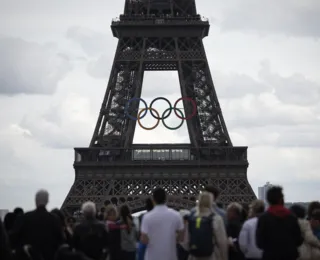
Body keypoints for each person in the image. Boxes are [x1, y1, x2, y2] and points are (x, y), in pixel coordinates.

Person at [11, 189, 64, 260]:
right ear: (47, 201)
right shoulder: (55, 219)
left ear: (35, 200)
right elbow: (61, 240)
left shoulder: (24, 217)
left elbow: (13, 237)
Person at [256, 186, 303, 260]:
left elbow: (259, 243)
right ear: (281, 199)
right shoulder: (292, 217)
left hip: (270, 256)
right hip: (289, 255)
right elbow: (298, 240)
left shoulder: (263, 218)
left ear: (268, 200)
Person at [140, 187, 184, 260]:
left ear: (153, 200)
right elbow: (181, 237)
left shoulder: (147, 217)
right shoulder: (176, 215)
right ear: (166, 199)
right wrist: (173, 240)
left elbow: (144, 239)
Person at [187, 191, 228, 260]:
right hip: (211, 255)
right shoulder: (216, 218)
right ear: (211, 202)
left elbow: (186, 241)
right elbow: (222, 242)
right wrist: (224, 257)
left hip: (194, 255)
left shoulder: (192, 217)